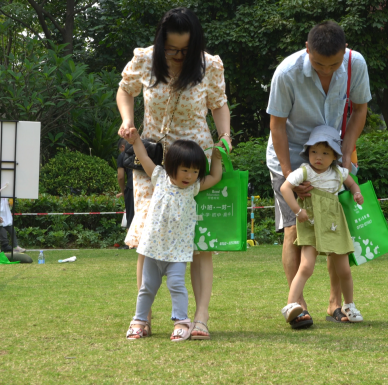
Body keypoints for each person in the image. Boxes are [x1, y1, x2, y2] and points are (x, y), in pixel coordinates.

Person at [117, 7, 231, 339]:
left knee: (199, 243)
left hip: (193, 164)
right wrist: (127, 120)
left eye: (185, 49)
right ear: (161, 42)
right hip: (151, 160)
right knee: (145, 238)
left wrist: (224, 136)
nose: (178, 56)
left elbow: (218, 103)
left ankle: (201, 318)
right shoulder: (144, 59)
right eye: (172, 49)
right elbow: (125, 90)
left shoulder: (210, 65)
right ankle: (143, 317)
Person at [266, 21, 371, 326]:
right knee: (294, 231)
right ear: (307, 49)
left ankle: (335, 305)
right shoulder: (287, 72)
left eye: (334, 64)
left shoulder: (355, 64)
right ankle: (297, 305)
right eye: (319, 64)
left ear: (345, 52)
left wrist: (346, 155)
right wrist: (290, 175)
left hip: (332, 156)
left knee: (335, 230)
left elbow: (360, 110)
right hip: (293, 154)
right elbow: (277, 125)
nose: (327, 71)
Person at [125, 134, 223, 341]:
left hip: (178, 253)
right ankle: (139, 320)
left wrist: (217, 157)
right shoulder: (159, 177)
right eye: (185, 169)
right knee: (146, 288)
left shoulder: (193, 188)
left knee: (177, 286)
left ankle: (181, 322)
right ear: (171, 166)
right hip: (152, 249)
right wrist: (134, 141)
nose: (190, 175)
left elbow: (215, 177)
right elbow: (143, 157)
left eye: (195, 171)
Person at [279, 126, 365, 327]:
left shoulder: (339, 172)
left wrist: (357, 193)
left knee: (344, 269)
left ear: (334, 155)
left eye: (325, 153)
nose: (318, 157)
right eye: (314, 151)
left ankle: (349, 305)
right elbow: (285, 188)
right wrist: (297, 211)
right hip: (311, 224)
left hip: (335, 225)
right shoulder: (304, 171)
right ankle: (291, 304)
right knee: (306, 267)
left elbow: (353, 184)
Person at [116, 139, 134, 249]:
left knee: (131, 214)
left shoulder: (123, 155)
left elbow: (121, 176)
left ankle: (130, 243)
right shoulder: (143, 152)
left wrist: (123, 190)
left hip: (132, 187)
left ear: (123, 146)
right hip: (146, 186)